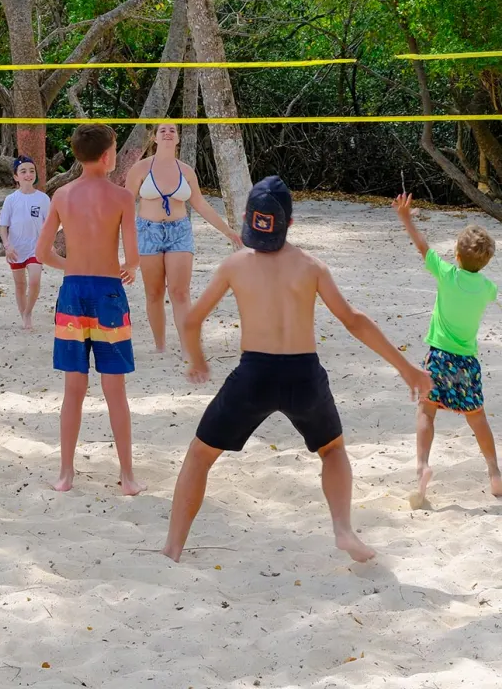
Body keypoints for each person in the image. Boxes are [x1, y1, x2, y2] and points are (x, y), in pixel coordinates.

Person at [163, 176, 433, 564]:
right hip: (304, 375)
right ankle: (342, 529)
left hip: (253, 375)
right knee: (332, 449)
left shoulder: (234, 266)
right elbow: (353, 320)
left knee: (200, 455)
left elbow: (191, 321)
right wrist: (407, 369)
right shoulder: (311, 267)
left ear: (246, 219)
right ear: (290, 223)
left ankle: (173, 547)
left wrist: (198, 359)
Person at [36, 124, 143, 495]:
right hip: (109, 293)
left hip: (73, 293)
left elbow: (42, 252)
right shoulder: (122, 198)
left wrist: (73, 265)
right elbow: (132, 258)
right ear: (108, 155)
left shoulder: (62, 195)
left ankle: (66, 473)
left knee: (73, 388)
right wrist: (128, 267)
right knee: (115, 389)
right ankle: (127, 477)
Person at [393, 193, 501, 505]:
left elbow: (423, 247)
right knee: (477, 417)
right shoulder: (487, 288)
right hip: (468, 362)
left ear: (456, 254)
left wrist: (407, 218)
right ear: (486, 261)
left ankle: (423, 467)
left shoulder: (447, 274)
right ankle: (494, 472)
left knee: (427, 411)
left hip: (439, 356)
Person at [125, 122, 242, 353]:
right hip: (148, 231)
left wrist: (227, 231)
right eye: (163, 130)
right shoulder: (140, 169)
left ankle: (187, 346)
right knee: (154, 292)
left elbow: (200, 204)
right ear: (155, 138)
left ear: (178, 138)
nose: (168, 133)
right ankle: (160, 346)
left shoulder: (186, 171)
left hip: (179, 231)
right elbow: (125, 206)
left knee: (180, 292)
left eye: (172, 130)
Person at [0, 156, 50, 331]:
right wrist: (7, 246)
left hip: (36, 248)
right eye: (23, 171)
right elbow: (3, 226)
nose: (28, 175)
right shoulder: (11, 199)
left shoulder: (43, 199)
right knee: (20, 284)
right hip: (15, 249)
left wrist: (48, 244)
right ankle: (24, 317)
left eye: (31, 171)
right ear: (16, 176)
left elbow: (49, 225)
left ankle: (28, 311)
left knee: (34, 281)